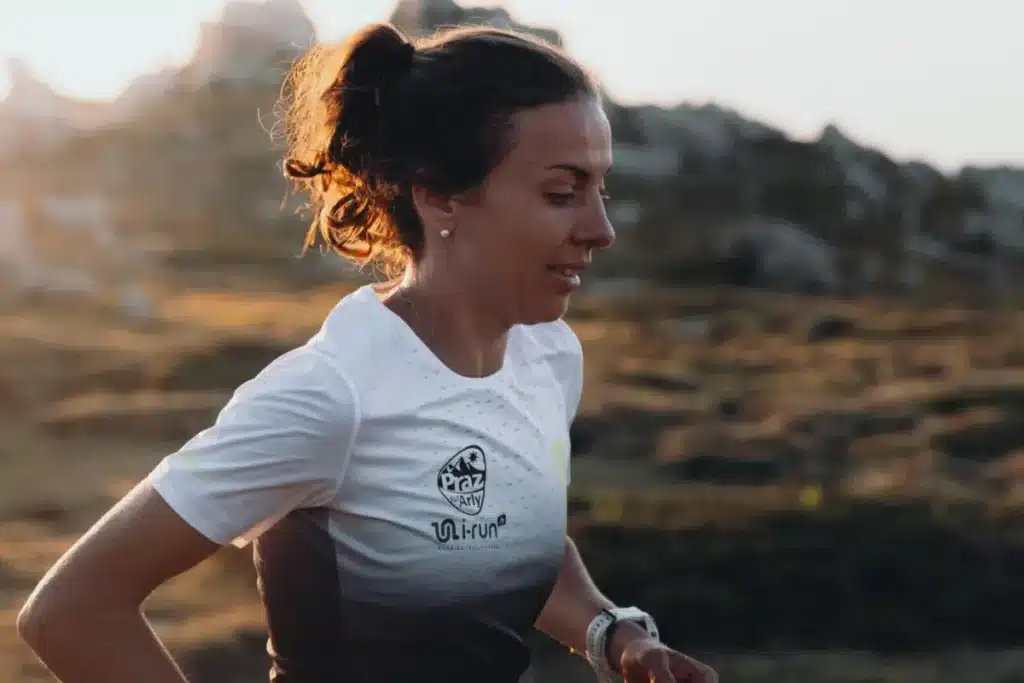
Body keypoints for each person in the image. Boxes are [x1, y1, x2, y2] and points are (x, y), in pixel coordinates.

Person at [17, 22, 717, 683]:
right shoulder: (331, 394)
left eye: (601, 189)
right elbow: (73, 608)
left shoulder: (550, 358)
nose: (601, 229)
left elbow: (510, 542)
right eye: (562, 193)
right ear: (439, 195)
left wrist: (617, 635)